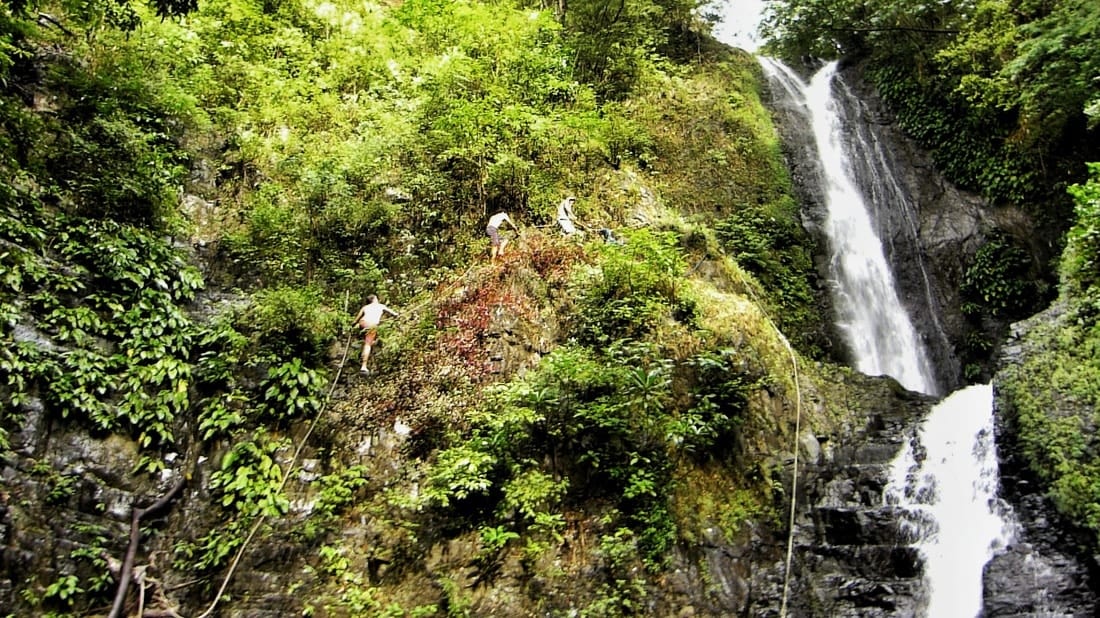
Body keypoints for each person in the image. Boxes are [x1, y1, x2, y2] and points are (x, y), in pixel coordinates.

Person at [351, 295, 399, 373]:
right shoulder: (380, 306)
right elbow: (393, 313)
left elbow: (356, 320)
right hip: (371, 325)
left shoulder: (365, 307)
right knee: (368, 344)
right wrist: (396, 315)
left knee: (368, 338)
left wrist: (352, 325)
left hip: (362, 323)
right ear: (374, 299)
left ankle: (366, 341)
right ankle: (364, 366)